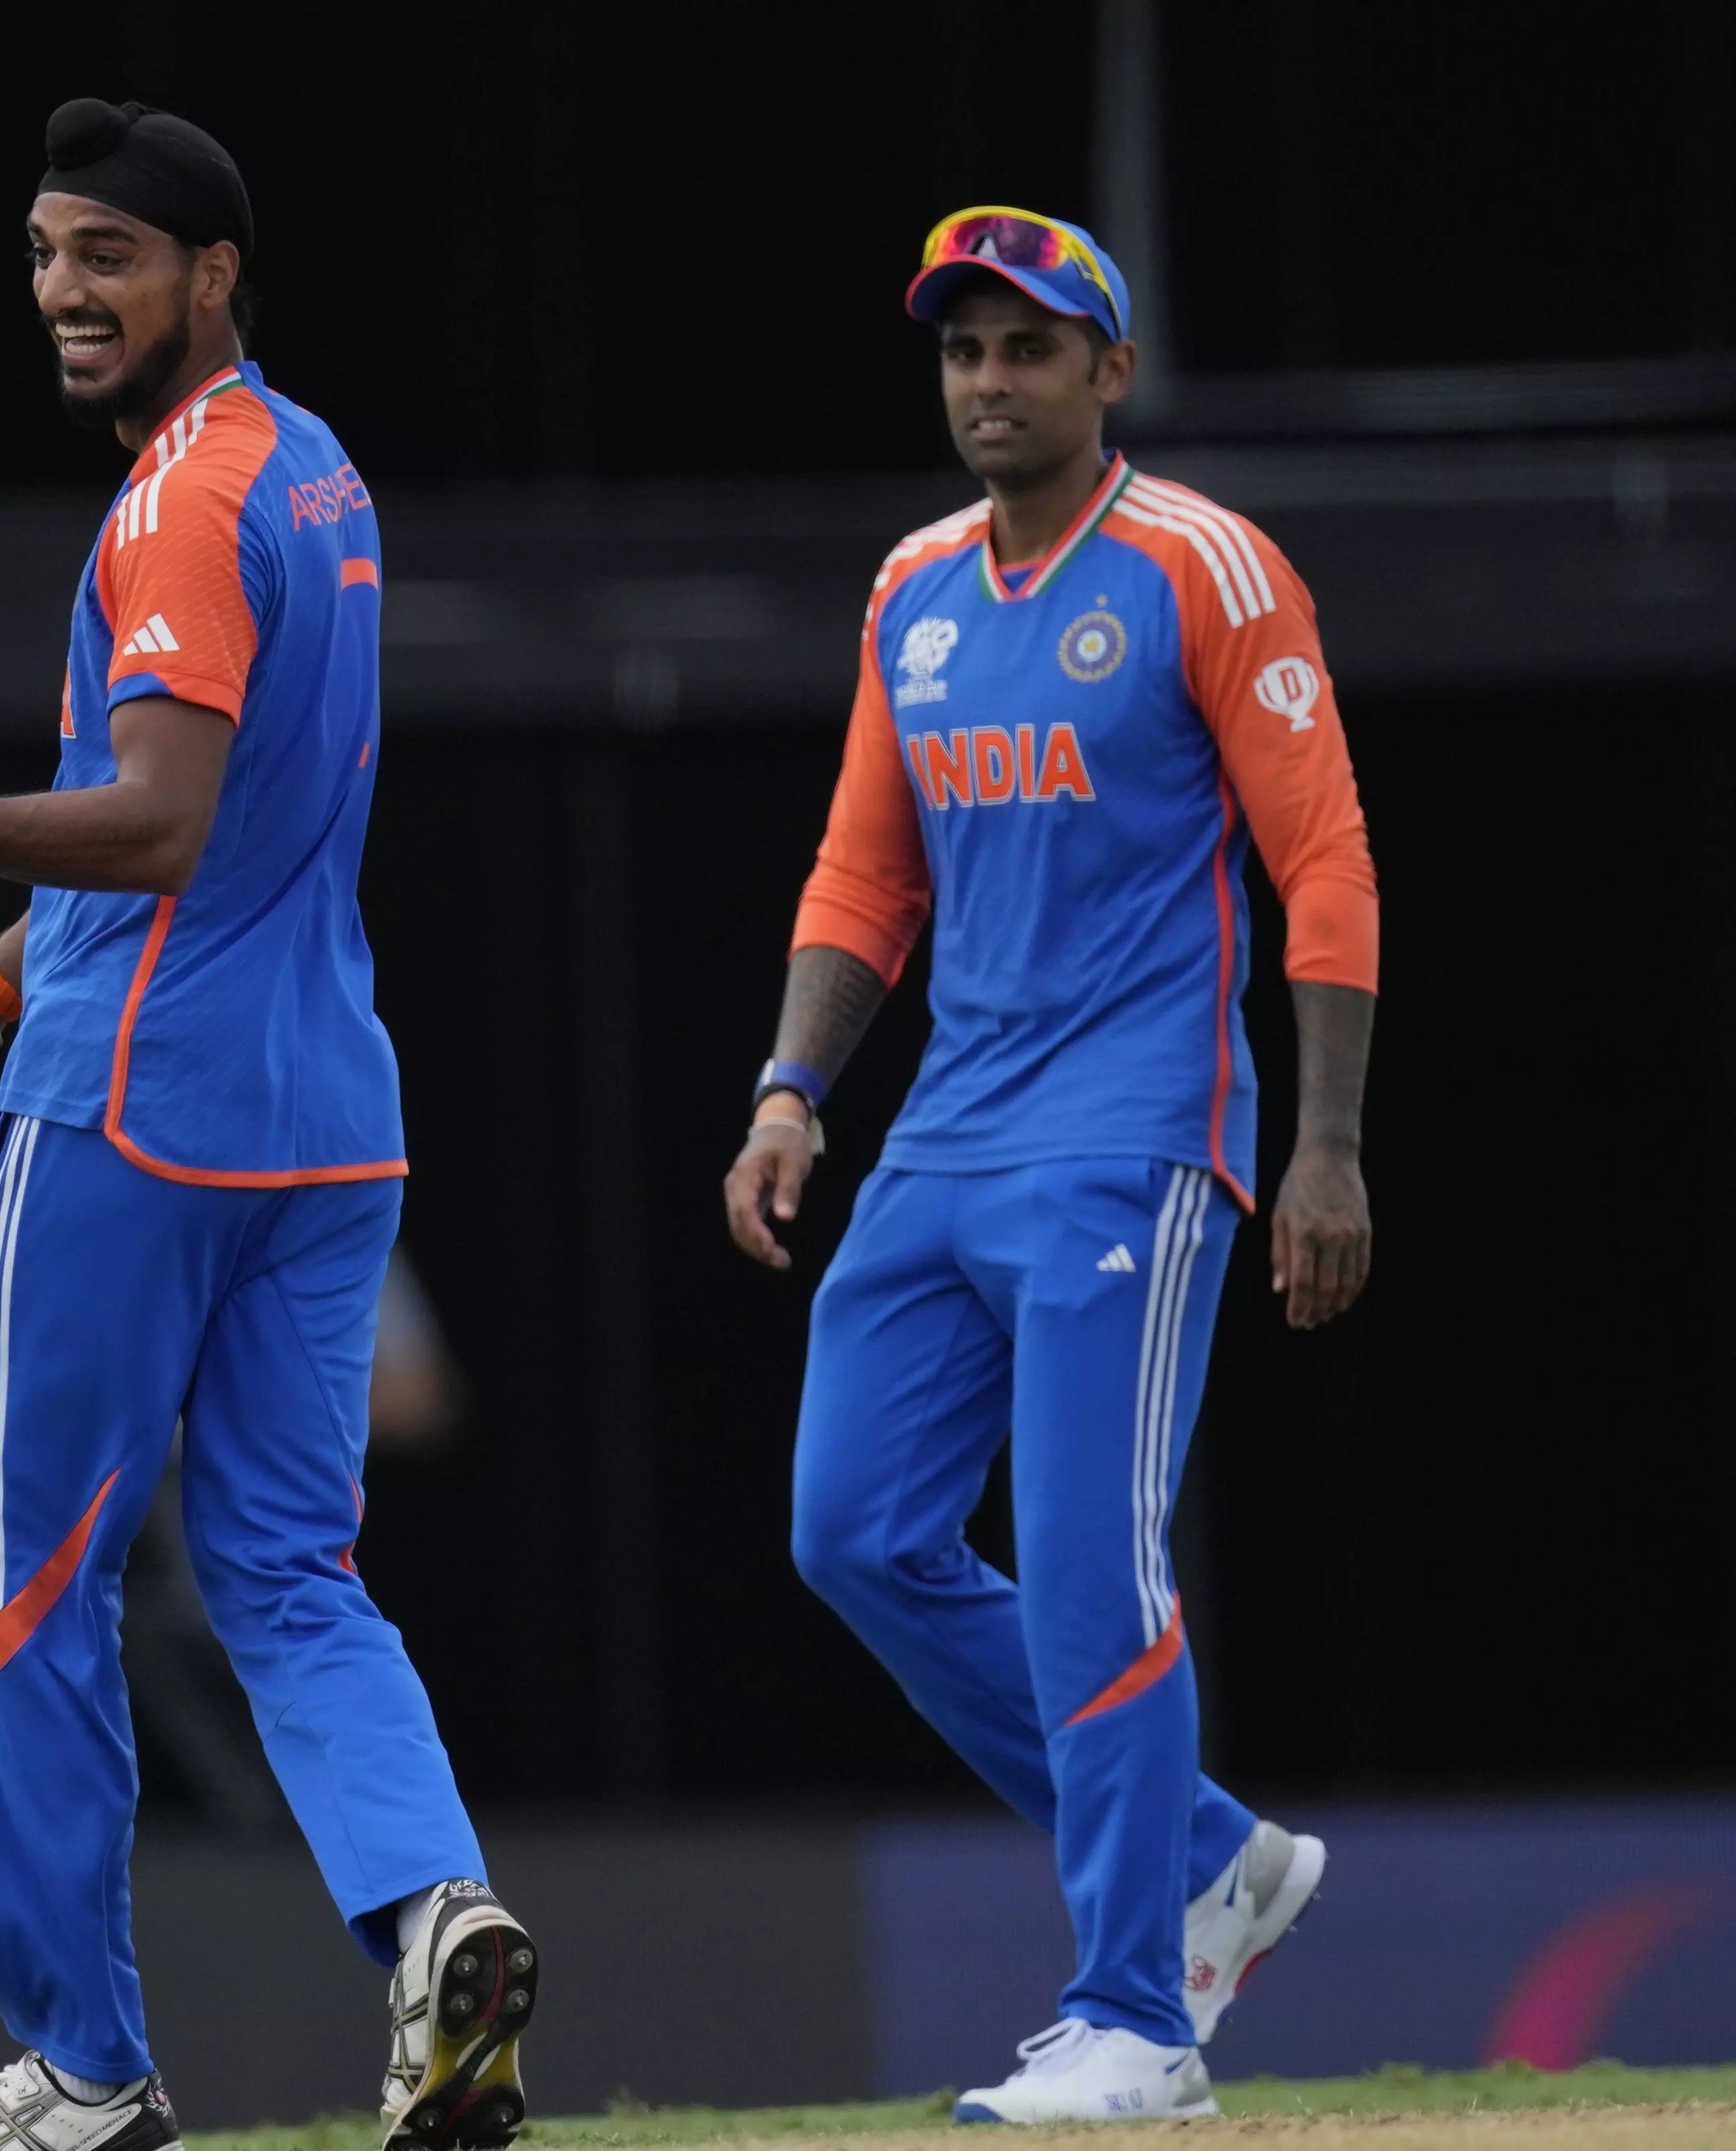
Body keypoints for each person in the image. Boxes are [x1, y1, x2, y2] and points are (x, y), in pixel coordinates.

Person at [0, 98, 536, 2151]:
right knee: (292, 1570)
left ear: (212, 274)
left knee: (32, 1583)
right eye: (48, 255)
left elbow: (155, 823)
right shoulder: (316, 471)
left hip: (139, 1121)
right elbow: (223, 824)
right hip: (326, 1119)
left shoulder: (175, 508)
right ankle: (439, 1919)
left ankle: (81, 2069)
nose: (66, 293)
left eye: (109, 258)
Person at [720, 207, 1376, 2125]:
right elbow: (866, 872)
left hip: (1134, 1134)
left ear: (1113, 373)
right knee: (850, 1529)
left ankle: (1139, 2020)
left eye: (1028, 349)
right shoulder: (912, 585)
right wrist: (786, 1093)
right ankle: (1206, 1851)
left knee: (1094, 1564)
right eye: (961, 353)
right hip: (945, 1135)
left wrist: (1323, 1144)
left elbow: (1321, 859)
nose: (988, 384)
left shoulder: (1202, 566)